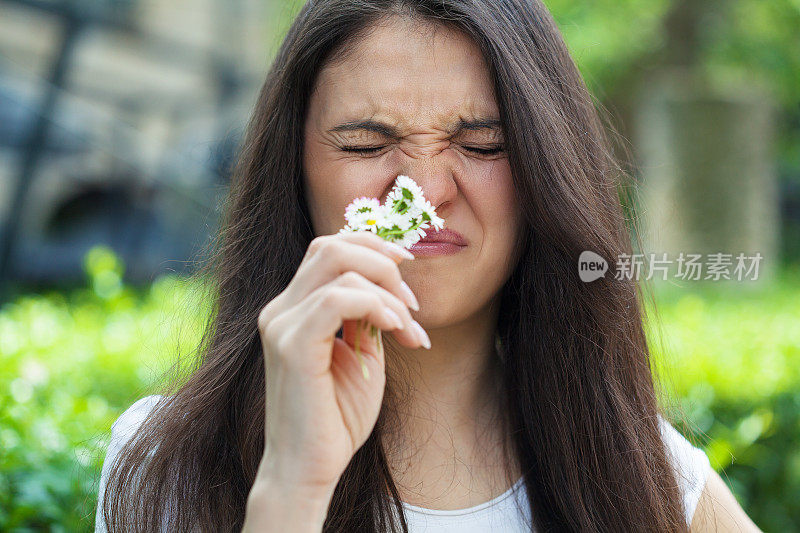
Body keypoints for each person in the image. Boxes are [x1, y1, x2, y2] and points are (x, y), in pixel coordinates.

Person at [95, 1, 763, 531]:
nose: (423, 190)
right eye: (365, 143)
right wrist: (291, 488)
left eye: (481, 144)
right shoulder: (163, 464)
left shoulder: (644, 475)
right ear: (292, 169)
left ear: (543, 173)